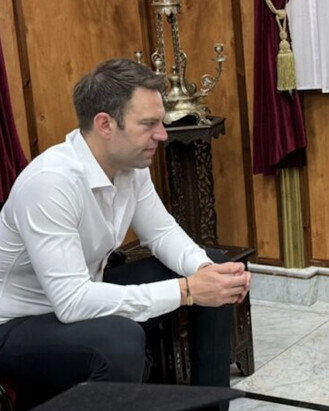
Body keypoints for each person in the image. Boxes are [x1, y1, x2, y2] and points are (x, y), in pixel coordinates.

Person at [0, 58, 252, 410]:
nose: (162, 135)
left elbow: (162, 232)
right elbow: (72, 303)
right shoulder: (50, 182)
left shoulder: (130, 166)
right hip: (17, 324)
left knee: (213, 267)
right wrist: (187, 291)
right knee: (120, 339)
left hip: (78, 296)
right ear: (105, 124)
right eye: (149, 124)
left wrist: (203, 273)